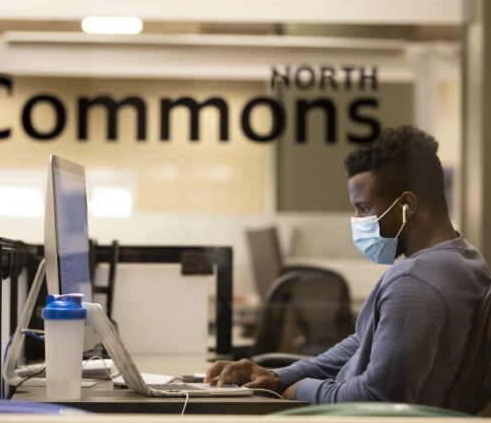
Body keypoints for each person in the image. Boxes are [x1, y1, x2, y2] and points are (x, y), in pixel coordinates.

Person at [205, 125, 491, 406]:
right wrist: (277, 377)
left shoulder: (414, 282)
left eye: (365, 208)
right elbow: (361, 342)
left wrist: (298, 390)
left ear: (407, 205)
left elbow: (379, 399)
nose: (357, 219)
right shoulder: (465, 258)